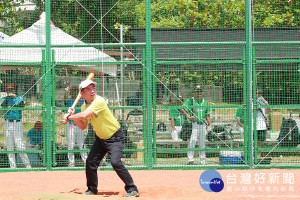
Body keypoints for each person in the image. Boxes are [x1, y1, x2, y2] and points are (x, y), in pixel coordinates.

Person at [63, 80, 139, 197]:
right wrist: (74, 118)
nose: (92, 91)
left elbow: (84, 115)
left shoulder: (99, 101)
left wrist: (69, 116)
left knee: (115, 162)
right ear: (82, 94)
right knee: (90, 162)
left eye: (93, 88)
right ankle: (92, 189)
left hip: (115, 137)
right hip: (100, 139)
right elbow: (83, 126)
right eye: (88, 89)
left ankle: (132, 189)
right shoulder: (84, 106)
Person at [0, 83, 31, 169]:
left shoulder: (19, 97)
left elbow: (22, 105)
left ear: (14, 90)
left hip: (16, 123)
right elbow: (3, 105)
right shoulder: (4, 99)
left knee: (19, 144)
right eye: (8, 90)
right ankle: (12, 167)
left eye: (11, 89)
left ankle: (27, 165)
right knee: (9, 145)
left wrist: (14, 99)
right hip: (7, 123)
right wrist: (8, 98)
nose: (10, 91)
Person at [180, 86, 212, 165]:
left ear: (203, 92)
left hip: (203, 125)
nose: (198, 93)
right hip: (194, 124)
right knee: (192, 142)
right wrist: (188, 116)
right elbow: (182, 108)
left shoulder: (205, 102)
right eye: (197, 91)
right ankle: (190, 160)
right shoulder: (190, 101)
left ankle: (202, 161)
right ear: (194, 93)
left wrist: (210, 124)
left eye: (200, 91)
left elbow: (208, 114)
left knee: (202, 143)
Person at [64, 86, 88, 167]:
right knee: (70, 145)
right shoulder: (70, 101)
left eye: (75, 92)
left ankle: (86, 162)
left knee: (82, 145)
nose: (74, 93)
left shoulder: (82, 102)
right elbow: (65, 99)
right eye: (72, 92)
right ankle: (71, 163)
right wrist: (66, 91)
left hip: (79, 125)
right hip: (70, 125)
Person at [256, 88, 272, 159]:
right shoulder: (251, 101)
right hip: (253, 125)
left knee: (260, 142)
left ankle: (258, 157)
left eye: (260, 93)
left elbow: (270, 110)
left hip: (262, 125)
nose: (259, 95)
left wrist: (265, 102)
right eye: (257, 93)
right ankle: (252, 157)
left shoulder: (263, 102)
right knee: (253, 142)